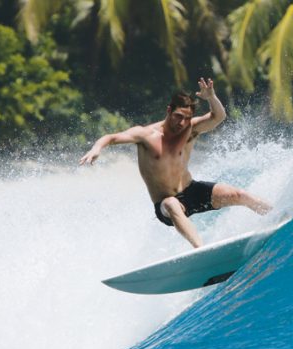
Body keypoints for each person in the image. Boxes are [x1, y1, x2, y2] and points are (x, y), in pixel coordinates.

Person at [79, 77, 272, 248]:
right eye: (178, 116)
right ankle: (201, 250)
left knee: (240, 194)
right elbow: (111, 138)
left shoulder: (191, 129)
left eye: (186, 119)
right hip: (166, 204)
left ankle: (275, 216)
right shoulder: (145, 135)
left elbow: (218, 117)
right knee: (172, 204)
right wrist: (96, 148)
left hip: (193, 191)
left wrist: (211, 97)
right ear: (169, 111)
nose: (182, 123)